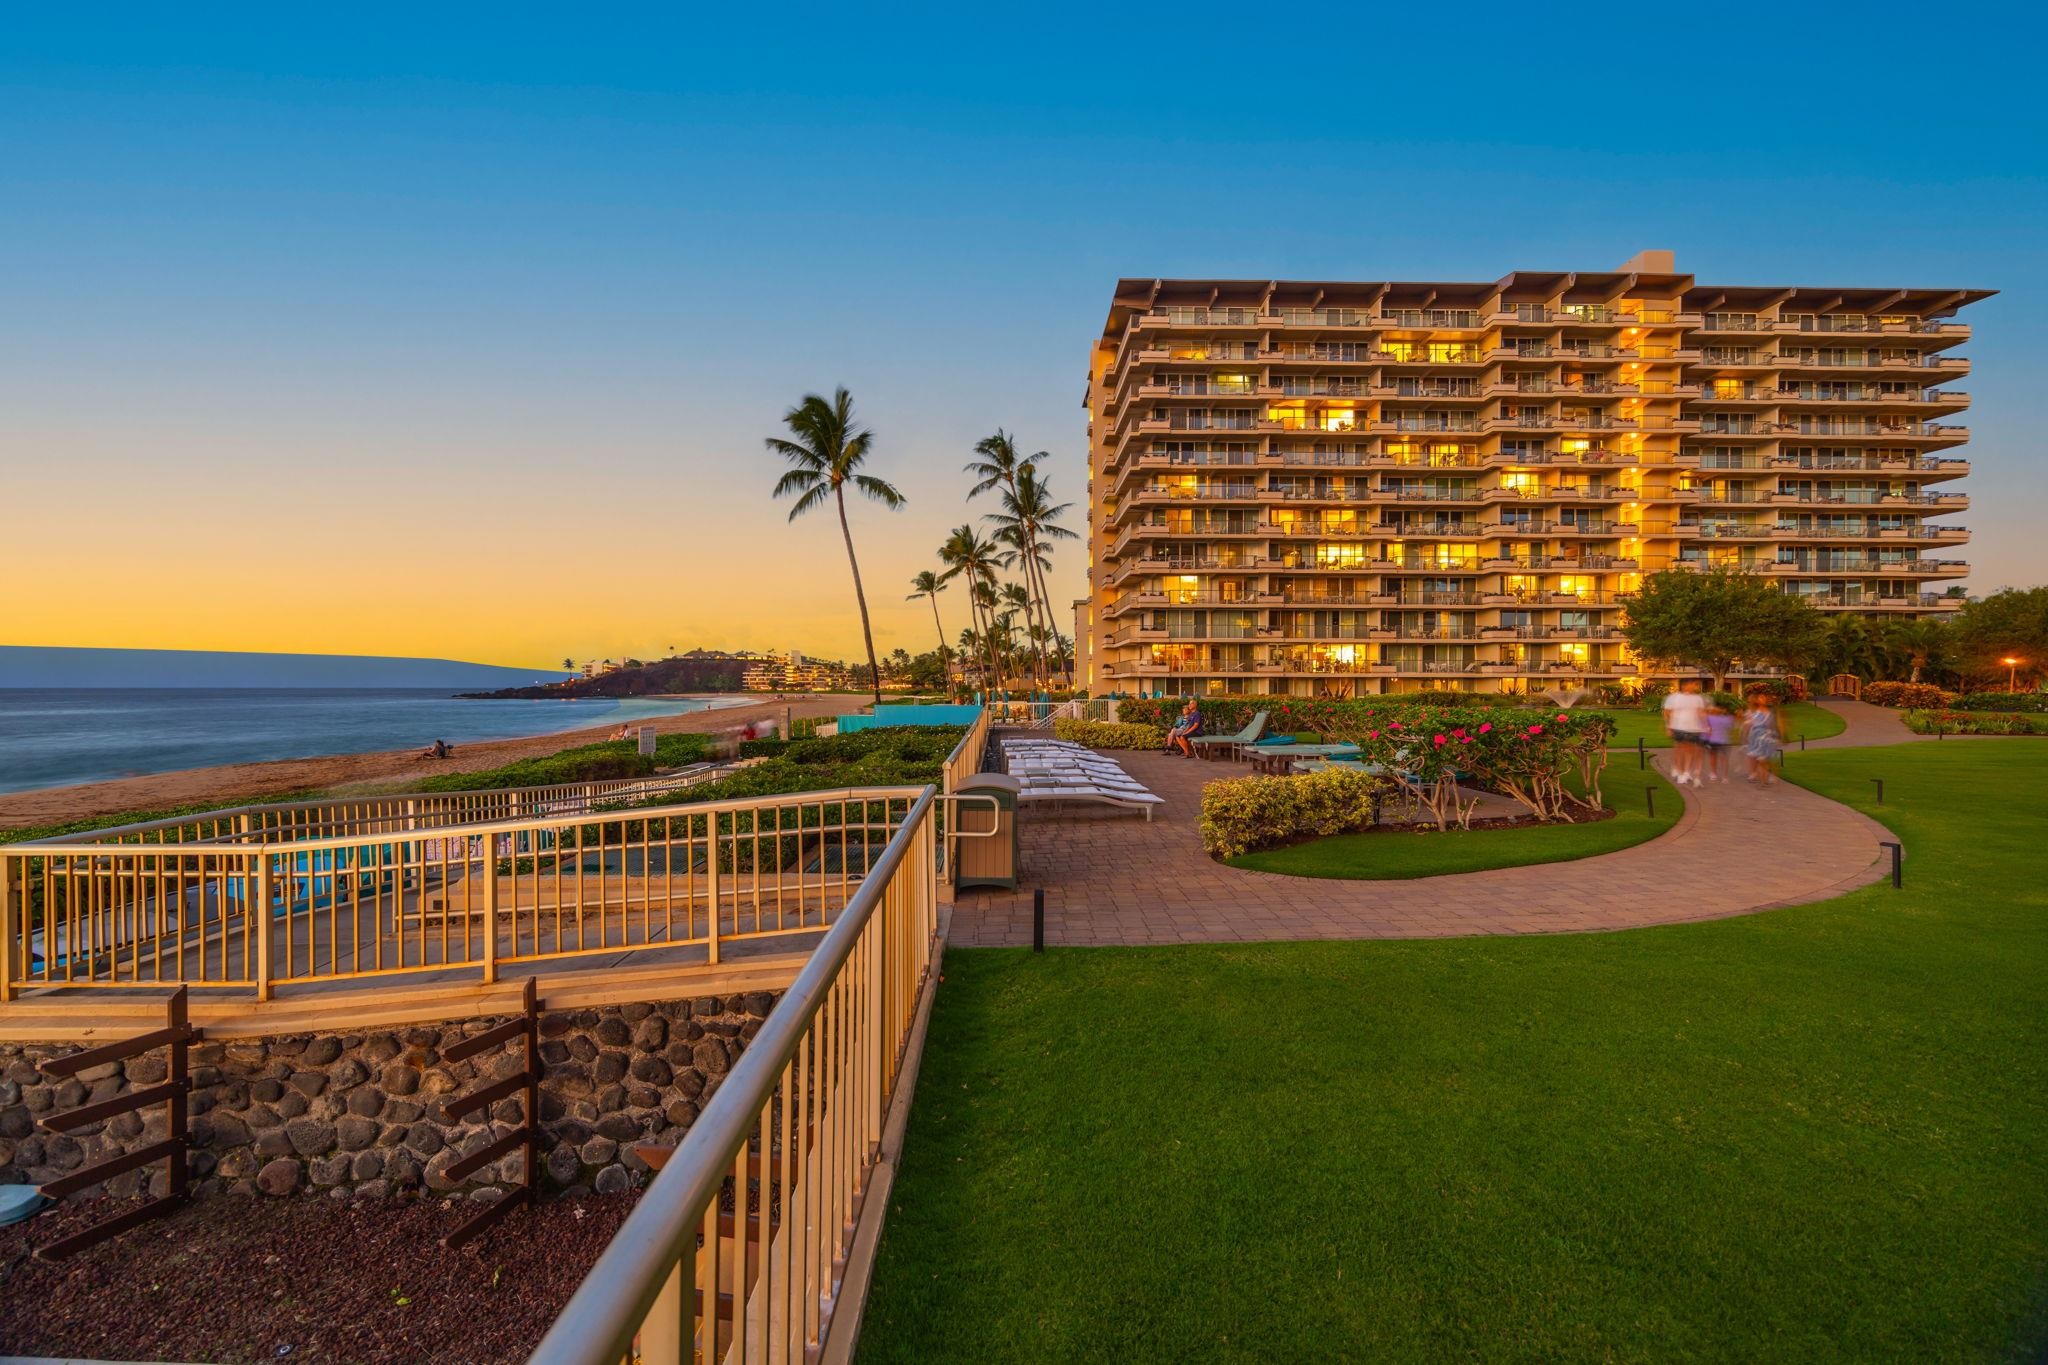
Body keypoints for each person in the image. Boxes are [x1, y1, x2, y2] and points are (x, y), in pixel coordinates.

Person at [1661, 678, 1708, 785]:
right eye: (1692, 684)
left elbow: (1701, 712)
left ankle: (1686, 772)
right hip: (1678, 727)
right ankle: (1679, 771)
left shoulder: (1697, 698)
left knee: (1690, 750)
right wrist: (1668, 726)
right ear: (1684, 685)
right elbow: (1667, 712)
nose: (1695, 686)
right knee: (1680, 749)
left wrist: (1706, 726)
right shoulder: (1674, 698)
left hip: (1694, 728)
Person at [1743, 692, 1784, 785]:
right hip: (1755, 737)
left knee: (1765, 757)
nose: (1762, 700)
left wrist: (1776, 736)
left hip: (1765, 737)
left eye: (1764, 698)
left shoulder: (1769, 712)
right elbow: (1749, 724)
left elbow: (1772, 726)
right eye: (1760, 698)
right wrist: (1745, 736)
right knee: (1756, 757)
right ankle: (1758, 776)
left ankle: (1764, 778)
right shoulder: (1755, 712)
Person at [1704, 699, 1736, 783]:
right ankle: (1724, 777)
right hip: (1724, 741)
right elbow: (1731, 727)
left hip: (1714, 740)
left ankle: (1714, 774)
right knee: (1723, 758)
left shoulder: (1709, 717)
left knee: (1714, 757)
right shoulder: (1729, 718)